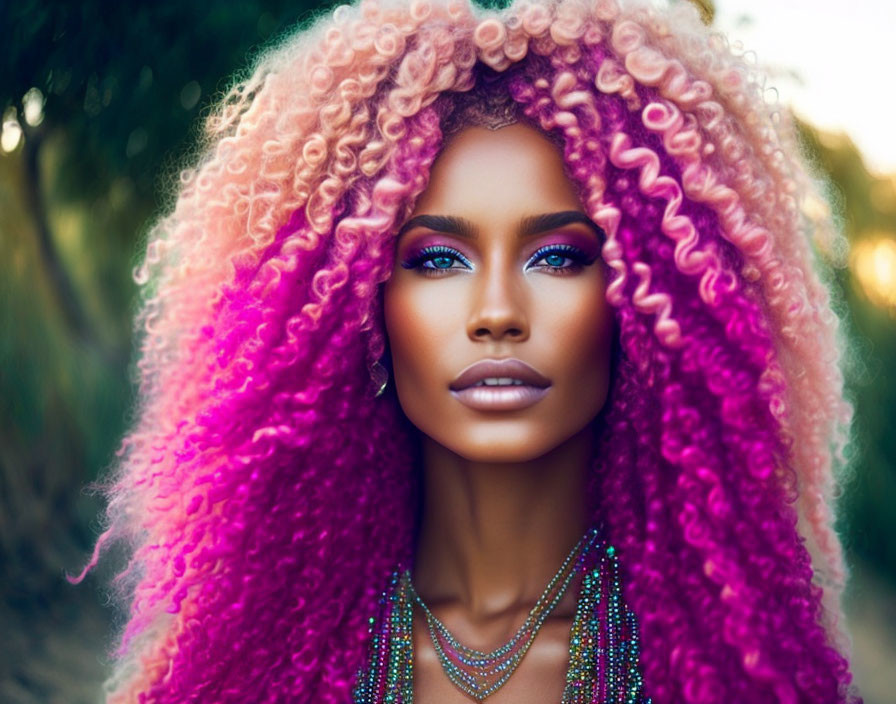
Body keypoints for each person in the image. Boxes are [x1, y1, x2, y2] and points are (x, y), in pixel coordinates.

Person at [71, 0, 863, 701]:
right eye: (436, 260)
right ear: (361, 310)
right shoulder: (250, 671)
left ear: (644, 304)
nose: (495, 315)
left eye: (558, 257)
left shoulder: (735, 673)